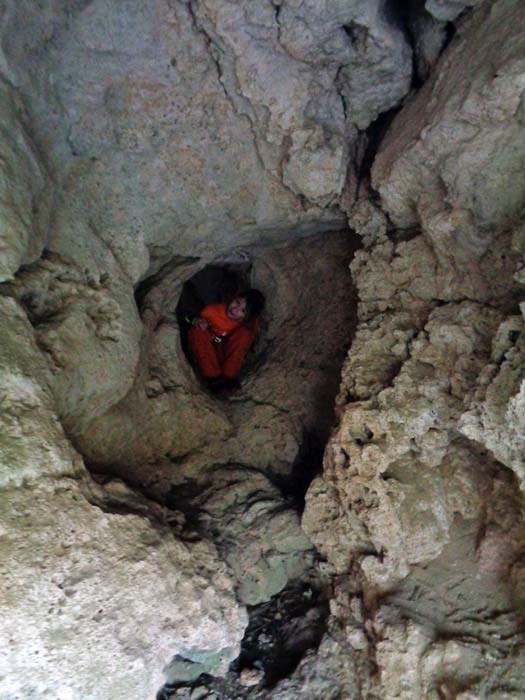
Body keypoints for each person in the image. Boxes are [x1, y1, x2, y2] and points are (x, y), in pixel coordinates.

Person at [187, 289, 265, 393]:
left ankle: (228, 377)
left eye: (243, 311)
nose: (235, 309)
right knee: (198, 330)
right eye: (237, 302)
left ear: (247, 317)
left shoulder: (249, 324)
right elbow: (186, 316)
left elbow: (243, 345)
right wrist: (194, 320)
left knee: (244, 334)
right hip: (208, 343)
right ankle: (213, 378)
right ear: (234, 298)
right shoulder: (212, 310)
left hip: (222, 346)